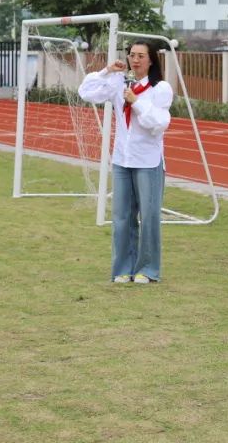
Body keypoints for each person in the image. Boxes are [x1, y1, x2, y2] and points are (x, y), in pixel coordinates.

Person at [78, 40, 173, 283]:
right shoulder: (119, 83)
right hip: (122, 159)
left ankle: (148, 270)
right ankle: (122, 269)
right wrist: (107, 71)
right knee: (121, 217)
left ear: (151, 60)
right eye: (132, 55)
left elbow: (159, 124)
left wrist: (136, 102)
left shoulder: (160, 88)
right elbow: (86, 92)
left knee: (149, 216)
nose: (135, 59)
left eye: (141, 55)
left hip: (148, 161)